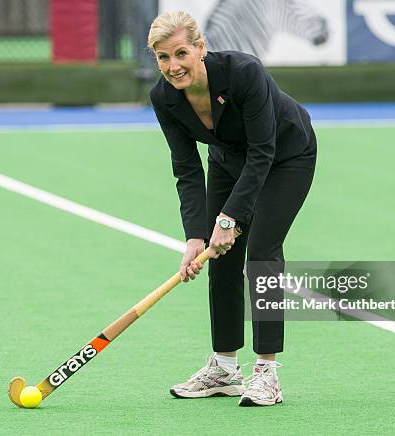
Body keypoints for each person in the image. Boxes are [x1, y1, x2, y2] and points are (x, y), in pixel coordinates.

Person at [148, 11, 316, 407]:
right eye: (162, 57)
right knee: (219, 255)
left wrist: (230, 217)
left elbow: (263, 151)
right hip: (226, 161)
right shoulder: (164, 98)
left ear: (201, 49)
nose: (173, 66)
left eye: (181, 53)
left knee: (262, 253)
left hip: (285, 156)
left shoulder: (244, 72)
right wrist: (196, 236)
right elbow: (186, 169)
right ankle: (224, 367)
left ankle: (268, 374)